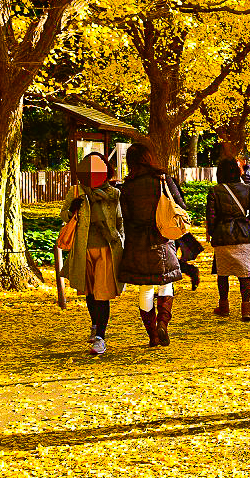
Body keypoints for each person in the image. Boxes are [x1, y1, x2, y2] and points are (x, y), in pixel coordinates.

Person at [118, 143, 185, 348]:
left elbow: (125, 218)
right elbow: (180, 207)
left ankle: (153, 334)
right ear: (149, 158)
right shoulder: (163, 179)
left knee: (145, 289)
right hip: (162, 238)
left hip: (137, 241)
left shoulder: (127, 186)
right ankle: (163, 323)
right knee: (166, 284)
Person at [60, 153, 124, 357]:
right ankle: (95, 325)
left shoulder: (114, 193)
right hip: (83, 248)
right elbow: (64, 215)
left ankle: (100, 337)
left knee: (102, 294)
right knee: (89, 291)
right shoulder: (76, 191)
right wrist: (73, 208)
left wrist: (120, 240)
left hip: (107, 249)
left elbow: (120, 219)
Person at [206, 157, 250, 320]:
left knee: (223, 273)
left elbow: (211, 215)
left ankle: (224, 306)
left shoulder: (215, 190)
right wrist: (248, 223)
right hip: (242, 234)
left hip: (223, 235)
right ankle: (246, 308)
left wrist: (214, 231)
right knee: (245, 274)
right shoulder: (247, 189)